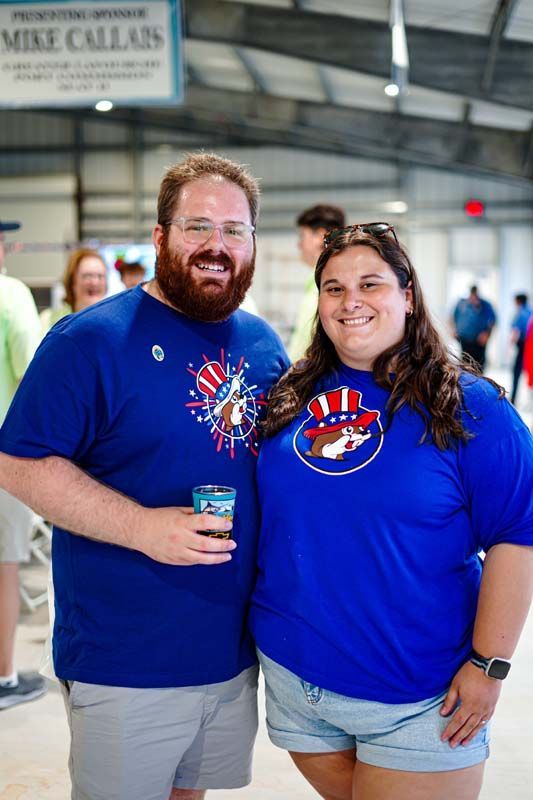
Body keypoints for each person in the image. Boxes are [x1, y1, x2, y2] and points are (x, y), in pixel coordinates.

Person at [0, 153, 289, 800]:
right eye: (197, 226)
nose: (216, 245)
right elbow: (17, 463)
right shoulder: (91, 341)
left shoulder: (263, 345)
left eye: (234, 230)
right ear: (160, 237)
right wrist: (139, 527)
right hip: (125, 654)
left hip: (229, 651)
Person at [250, 223, 533, 800]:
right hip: (295, 683)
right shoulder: (290, 395)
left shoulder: (471, 407)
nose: (350, 301)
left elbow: (517, 537)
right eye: (333, 288)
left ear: (407, 295)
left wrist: (489, 666)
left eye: (370, 284)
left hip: (419, 697)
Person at [0, 218, 47, 710]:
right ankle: (6, 676)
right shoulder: (10, 294)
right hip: (3, 457)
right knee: (5, 566)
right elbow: (33, 375)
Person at [288, 204, 345, 362]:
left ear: (320, 236)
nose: (299, 245)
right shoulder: (314, 283)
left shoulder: (327, 286)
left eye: (302, 236)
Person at [40, 248, 107, 332]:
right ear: (72, 282)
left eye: (100, 276)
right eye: (87, 276)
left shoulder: (113, 323)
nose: (95, 282)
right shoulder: (48, 320)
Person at [452, 285, 496, 372]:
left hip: (479, 341)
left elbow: (492, 320)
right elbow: (453, 317)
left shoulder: (485, 305)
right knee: (465, 363)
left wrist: (487, 334)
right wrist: (454, 330)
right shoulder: (461, 303)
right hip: (464, 339)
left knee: (479, 364)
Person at [509, 292, 531, 405]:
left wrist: (510, 346)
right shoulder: (530, 311)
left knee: (516, 373)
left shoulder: (520, 313)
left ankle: (513, 398)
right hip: (530, 346)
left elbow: (515, 331)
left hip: (523, 346)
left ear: (518, 301)